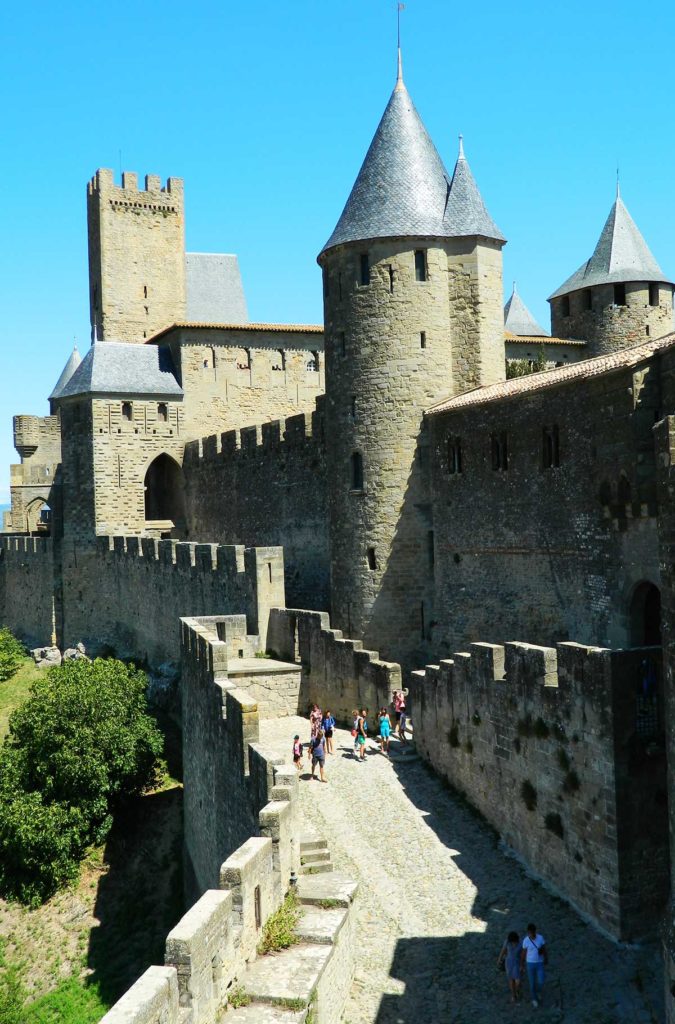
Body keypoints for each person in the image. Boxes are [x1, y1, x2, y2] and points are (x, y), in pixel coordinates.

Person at [520, 923, 547, 1008]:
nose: (532, 934)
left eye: (533, 932)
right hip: (530, 963)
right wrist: (522, 964)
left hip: (539, 963)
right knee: (532, 983)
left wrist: (546, 958)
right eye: (530, 933)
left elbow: (544, 948)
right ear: (528, 932)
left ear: (535, 931)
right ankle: (534, 998)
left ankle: (538, 991)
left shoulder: (540, 938)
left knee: (541, 981)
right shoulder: (526, 940)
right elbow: (523, 953)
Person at [497, 931, 522, 1003]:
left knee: (518, 981)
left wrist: (522, 964)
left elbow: (523, 954)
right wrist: (499, 959)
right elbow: (503, 951)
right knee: (511, 980)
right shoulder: (507, 942)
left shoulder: (521, 943)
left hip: (517, 963)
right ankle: (513, 995)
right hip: (509, 963)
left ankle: (517, 990)